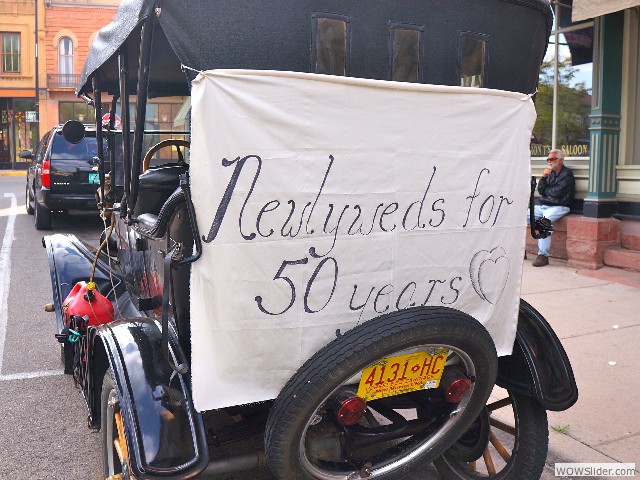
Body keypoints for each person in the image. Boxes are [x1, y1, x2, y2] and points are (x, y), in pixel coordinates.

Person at [527, 149, 575, 267]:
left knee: (544, 221)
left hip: (560, 206)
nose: (549, 162)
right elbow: (541, 190)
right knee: (522, 215)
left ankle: (543, 256)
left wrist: (547, 192)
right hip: (544, 205)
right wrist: (543, 177)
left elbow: (557, 193)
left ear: (560, 160)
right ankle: (520, 250)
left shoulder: (567, 174)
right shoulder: (550, 173)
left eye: (552, 159)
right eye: (548, 159)